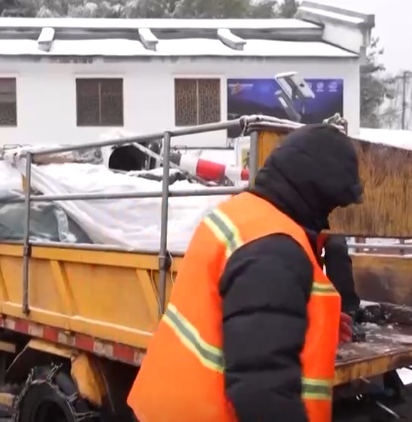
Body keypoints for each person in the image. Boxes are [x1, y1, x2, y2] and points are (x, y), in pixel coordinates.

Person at [128, 124, 364, 422]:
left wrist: (310, 320)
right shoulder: (275, 250)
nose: (330, 217)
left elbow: (243, 319)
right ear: (316, 192)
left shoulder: (243, 213)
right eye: (333, 204)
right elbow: (263, 390)